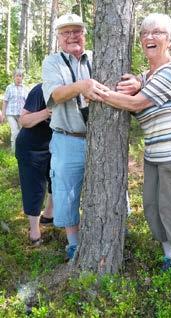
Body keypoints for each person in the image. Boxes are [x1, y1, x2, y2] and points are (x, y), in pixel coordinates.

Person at [97, 13, 171, 288]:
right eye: (144, 33)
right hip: (155, 153)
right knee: (151, 206)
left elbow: (138, 104)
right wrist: (137, 83)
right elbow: (141, 90)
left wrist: (97, 93)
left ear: (169, 39)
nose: (149, 37)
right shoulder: (146, 75)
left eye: (157, 33)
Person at [42, 13, 108, 260]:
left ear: (85, 33)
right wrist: (82, 86)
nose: (72, 36)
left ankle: (112, 235)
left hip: (101, 140)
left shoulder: (99, 56)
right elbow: (55, 95)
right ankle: (73, 244)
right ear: (59, 38)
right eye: (65, 32)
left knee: (111, 188)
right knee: (66, 191)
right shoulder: (52, 62)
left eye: (76, 31)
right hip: (67, 138)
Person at [15, 84, 53, 246]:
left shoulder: (74, 89)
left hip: (53, 145)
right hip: (31, 148)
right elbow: (23, 120)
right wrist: (47, 112)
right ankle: (34, 232)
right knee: (34, 187)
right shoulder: (40, 90)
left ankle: (49, 215)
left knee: (55, 181)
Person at [2, 69, 28, 151]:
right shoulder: (9, 87)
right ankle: (14, 152)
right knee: (15, 132)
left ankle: (22, 151)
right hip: (10, 114)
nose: (18, 78)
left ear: (22, 77)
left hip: (21, 115)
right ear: (14, 77)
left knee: (22, 133)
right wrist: (3, 114)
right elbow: (5, 101)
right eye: (17, 76)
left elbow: (27, 102)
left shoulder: (25, 88)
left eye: (20, 76)